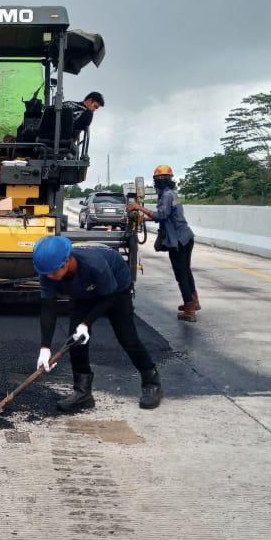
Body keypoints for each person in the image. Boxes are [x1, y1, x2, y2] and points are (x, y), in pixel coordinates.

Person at [32, 235, 162, 412]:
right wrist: (44, 348)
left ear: (67, 261)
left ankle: (151, 380)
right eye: (47, 274)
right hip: (84, 293)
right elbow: (48, 307)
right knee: (75, 340)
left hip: (116, 290)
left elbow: (109, 297)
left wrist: (86, 323)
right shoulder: (48, 271)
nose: (51, 277)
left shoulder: (95, 265)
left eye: (54, 273)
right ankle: (82, 393)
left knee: (127, 338)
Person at [127, 165, 198, 322]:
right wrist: (145, 218)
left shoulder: (166, 195)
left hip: (177, 241)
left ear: (158, 182)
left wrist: (139, 207)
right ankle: (193, 301)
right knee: (186, 271)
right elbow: (167, 216)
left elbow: (162, 215)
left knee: (181, 275)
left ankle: (189, 310)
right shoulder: (172, 193)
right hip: (186, 237)